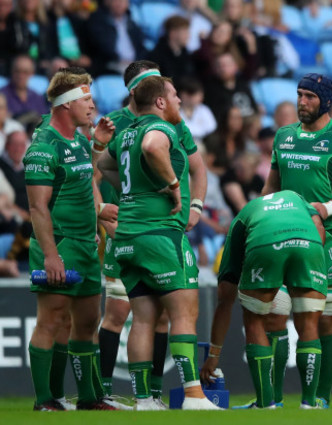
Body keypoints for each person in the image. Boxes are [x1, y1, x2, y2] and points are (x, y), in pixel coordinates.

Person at [97, 75, 217, 410]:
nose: (180, 101)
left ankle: (142, 400)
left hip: (127, 237)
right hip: (160, 233)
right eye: (176, 96)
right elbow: (153, 147)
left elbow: (103, 163)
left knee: (144, 318)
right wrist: (172, 184)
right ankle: (193, 395)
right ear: (161, 102)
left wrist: (130, 192)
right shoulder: (159, 128)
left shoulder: (125, 132)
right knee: (183, 312)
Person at [24, 67, 118, 411]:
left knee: (88, 320)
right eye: (86, 98)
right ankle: (45, 399)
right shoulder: (43, 148)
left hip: (85, 243)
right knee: (52, 319)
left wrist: (97, 148)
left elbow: (85, 179)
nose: (92, 105)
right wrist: (50, 256)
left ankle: (89, 399)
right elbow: (37, 208)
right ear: (66, 105)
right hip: (60, 244)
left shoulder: (79, 139)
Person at [260, 73, 332, 408]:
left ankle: (320, 399)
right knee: (276, 313)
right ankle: (274, 401)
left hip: (328, 237)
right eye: (299, 95)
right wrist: (259, 218)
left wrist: (324, 210)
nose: (302, 102)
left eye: (310, 96)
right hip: (283, 235)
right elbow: (271, 186)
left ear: (325, 101)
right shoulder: (283, 136)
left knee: (325, 317)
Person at [199, 190, 328, 409]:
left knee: (254, 321)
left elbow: (225, 299)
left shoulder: (241, 218)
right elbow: (318, 224)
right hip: (310, 243)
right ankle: (309, 403)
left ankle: (266, 403)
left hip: (265, 244)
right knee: (309, 324)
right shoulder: (295, 196)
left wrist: (213, 354)